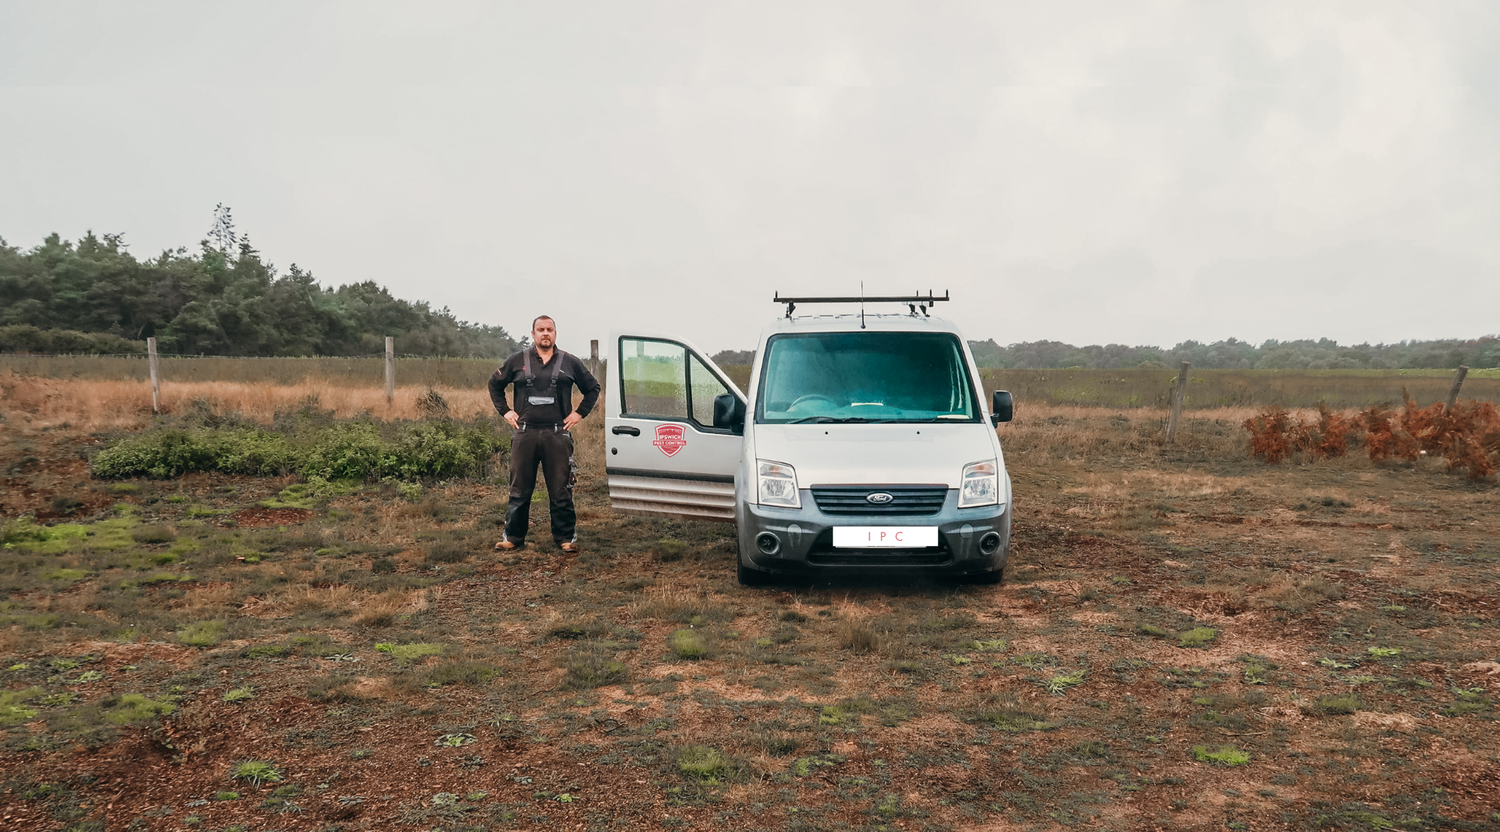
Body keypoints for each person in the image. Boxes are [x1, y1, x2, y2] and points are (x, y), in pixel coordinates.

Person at [488, 315, 601, 553]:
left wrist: (579, 413)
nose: (545, 333)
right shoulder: (518, 360)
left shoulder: (570, 362)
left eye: (549, 329)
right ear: (533, 334)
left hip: (557, 435)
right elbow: (494, 384)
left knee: (561, 489)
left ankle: (565, 538)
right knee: (519, 488)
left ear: (555, 334)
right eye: (541, 329)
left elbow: (593, 388)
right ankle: (513, 537)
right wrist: (506, 411)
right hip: (525, 434)